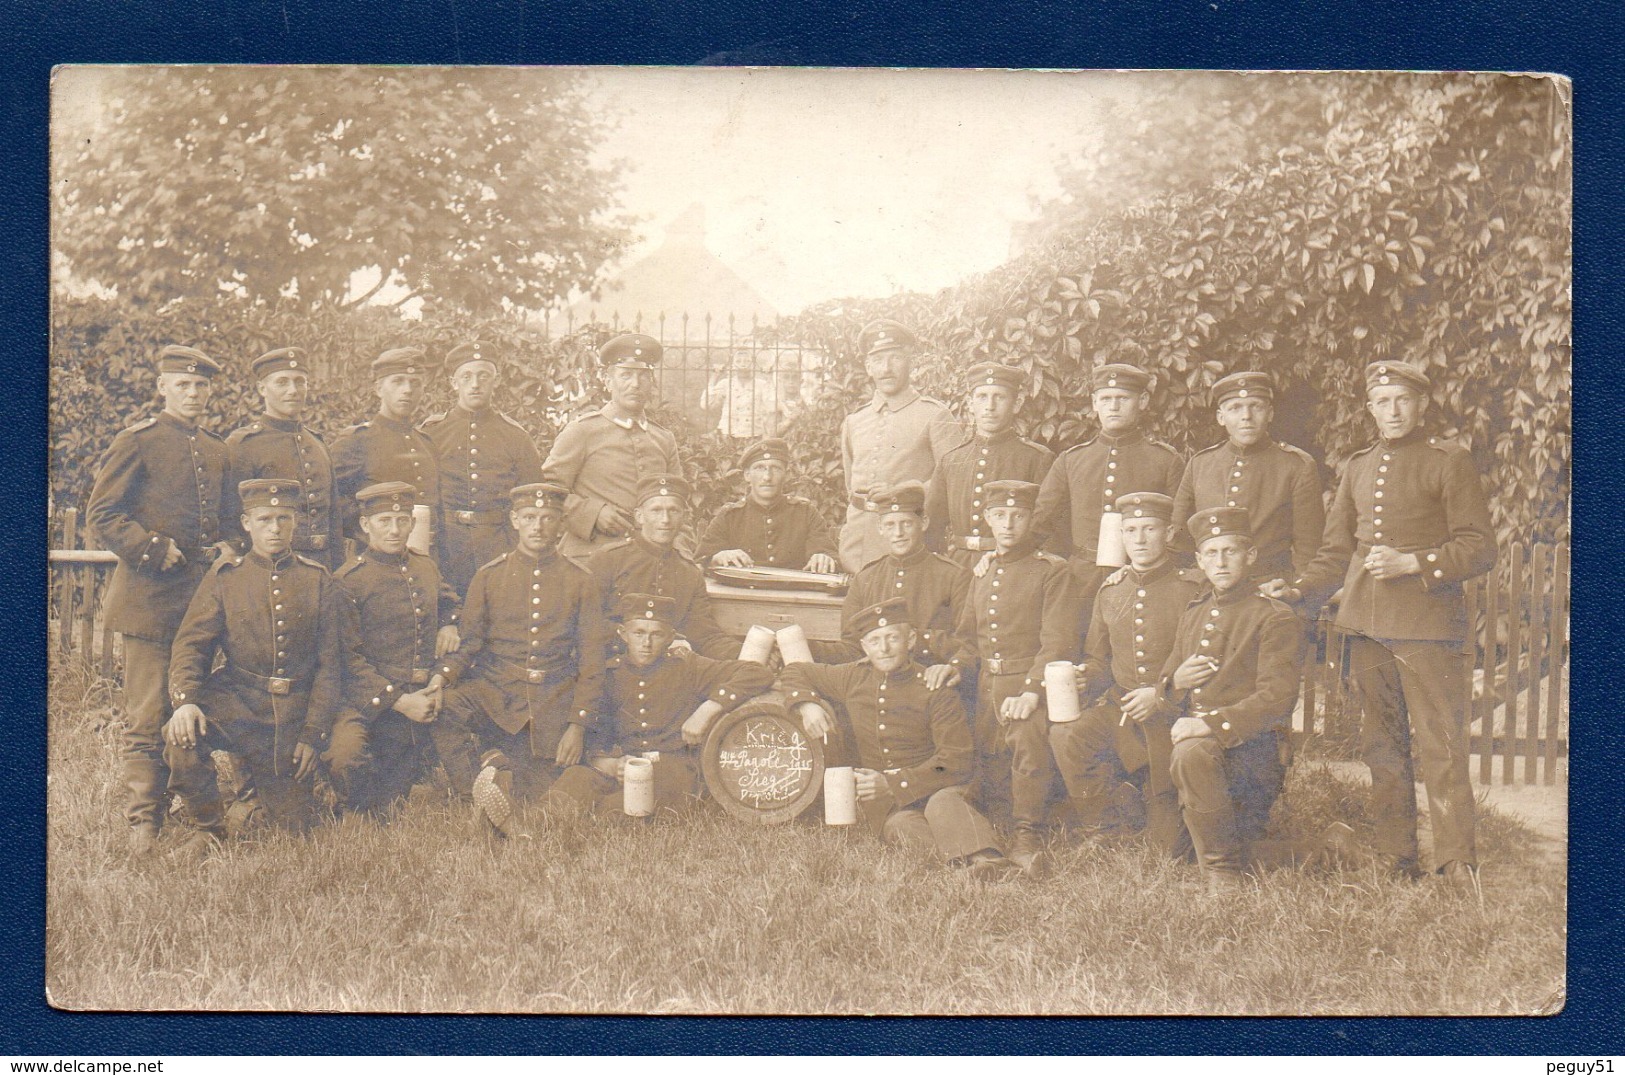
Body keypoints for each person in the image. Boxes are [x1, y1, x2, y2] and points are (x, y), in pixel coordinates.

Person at [1283, 360, 1497, 888]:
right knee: (1382, 746)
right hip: (1365, 625)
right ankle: (1395, 857)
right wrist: (1296, 590)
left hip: (1427, 626)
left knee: (1440, 746)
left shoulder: (1449, 461)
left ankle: (1455, 863)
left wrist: (1416, 563)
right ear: (1370, 407)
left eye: (1403, 399)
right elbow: (1336, 552)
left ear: (1422, 405)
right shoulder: (1357, 466)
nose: (1393, 411)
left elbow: (1479, 546)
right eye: (1382, 401)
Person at [85, 344, 230, 857]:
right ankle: (144, 822)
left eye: (201, 386)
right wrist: (150, 546)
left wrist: (228, 545)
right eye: (183, 385)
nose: (193, 393)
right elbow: (102, 513)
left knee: (188, 706)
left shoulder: (216, 449)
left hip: (201, 606)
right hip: (149, 602)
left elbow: (229, 520)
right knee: (147, 715)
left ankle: (197, 810)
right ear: (162, 387)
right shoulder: (138, 441)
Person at [162, 479, 348, 852]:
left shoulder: (318, 580)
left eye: (283, 518)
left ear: (296, 521)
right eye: (265, 519)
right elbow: (191, 645)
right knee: (180, 737)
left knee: (294, 828)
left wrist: (312, 734)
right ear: (247, 523)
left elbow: (331, 667)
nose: (275, 528)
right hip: (238, 700)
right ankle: (208, 828)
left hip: (293, 714)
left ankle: (252, 801)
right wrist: (185, 700)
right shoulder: (225, 577)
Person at [779, 598, 1018, 881]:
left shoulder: (933, 686)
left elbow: (956, 761)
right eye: (875, 640)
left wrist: (892, 784)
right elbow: (794, 670)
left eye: (893, 637)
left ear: (911, 640)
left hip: (941, 786)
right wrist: (807, 705)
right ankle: (964, 870)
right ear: (864, 647)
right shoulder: (852, 677)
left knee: (942, 804)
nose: (884, 648)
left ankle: (989, 861)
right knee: (901, 825)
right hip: (891, 806)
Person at [437, 482, 609, 835]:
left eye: (548, 518)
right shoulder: (489, 576)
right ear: (514, 520)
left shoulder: (580, 581)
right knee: (446, 707)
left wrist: (577, 725)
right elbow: (469, 645)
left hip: (553, 697)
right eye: (530, 517)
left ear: (561, 523)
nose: (538, 526)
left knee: (540, 789)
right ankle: (474, 793)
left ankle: (499, 777)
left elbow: (593, 662)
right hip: (496, 692)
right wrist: (440, 680)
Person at [1158, 507, 1306, 892]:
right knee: (1176, 851)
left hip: (1250, 756)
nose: (1220, 562)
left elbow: (1277, 698)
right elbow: (1169, 682)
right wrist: (1175, 682)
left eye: (1230, 551)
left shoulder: (1273, 616)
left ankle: (1224, 875)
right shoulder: (1194, 613)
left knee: (1191, 756)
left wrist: (1207, 725)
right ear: (1200, 561)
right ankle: (1322, 851)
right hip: (1198, 754)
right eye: (1211, 553)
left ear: (1251, 556)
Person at [1050, 492, 1202, 851]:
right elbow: (1100, 659)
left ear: (1167, 533)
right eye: (1130, 530)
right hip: (1123, 712)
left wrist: (1162, 695)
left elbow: (1202, 658)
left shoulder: (1192, 587)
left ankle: (1150, 806)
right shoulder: (1111, 589)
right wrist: (1088, 673)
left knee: (1170, 848)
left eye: (1149, 528)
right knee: (1068, 736)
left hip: (1175, 713)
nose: (1140, 539)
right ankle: (1105, 826)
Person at [947, 479, 1084, 877]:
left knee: (1026, 744)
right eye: (1000, 515)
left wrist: (1030, 692)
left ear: (1030, 519)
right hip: (988, 685)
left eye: (1018, 515)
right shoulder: (983, 570)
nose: (1009, 524)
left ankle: (1028, 837)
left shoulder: (1050, 571)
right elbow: (968, 638)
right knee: (984, 761)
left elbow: (1057, 642)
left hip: (1027, 682)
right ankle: (989, 834)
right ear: (988, 518)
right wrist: (956, 666)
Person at [544, 593, 774, 817]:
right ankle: (534, 826)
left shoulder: (688, 667)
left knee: (615, 812)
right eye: (639, 633)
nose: (646, 643)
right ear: (623, 634)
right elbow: (596, 740)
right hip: (625, 764)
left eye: (656, 635)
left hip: (671, 770)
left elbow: (757, 672)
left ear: (670, 637)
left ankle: (602, 816)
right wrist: (612, 766)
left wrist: (709, 708)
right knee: (570, 787)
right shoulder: (610, 674)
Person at [328, 482, 477, 817]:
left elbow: (452, 605)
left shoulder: (425, 566)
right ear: (366, 525)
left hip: (422, 690)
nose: (395, 530)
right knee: (347, 757)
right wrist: (400, 702)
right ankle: (354, 804)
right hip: (370, 697)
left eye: (402, 521)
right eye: (384, 521)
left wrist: (449, 624)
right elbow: (347, 660)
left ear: (412, 523)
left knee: (399, 789)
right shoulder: (348, 581)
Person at [1033, 363, 1183, 626]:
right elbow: (1041, 521)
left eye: (1123, 398)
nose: (1113, 406)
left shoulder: (1165, 460)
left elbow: (1179, 530)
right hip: (1080, 580)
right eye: (1106, 399)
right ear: (1094, 403)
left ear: (1143, 400)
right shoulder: (1071, 460)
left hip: (1144, 578)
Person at [1171, 371, 1323, 586]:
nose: (1246, 416)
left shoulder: (1296, 465)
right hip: (1207, 589)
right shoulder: (1200, 464)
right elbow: (1178, 540)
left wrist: (1297, 593)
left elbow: (1308, 549)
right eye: (1235, 408)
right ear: (1220, 417)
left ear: (1270, 413)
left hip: (1268, 587)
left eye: (1256, 407)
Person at [542, 333, 682, 563]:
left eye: (643, 376)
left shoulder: (663, 438)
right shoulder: (582, 431)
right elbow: (549, 489)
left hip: (648, 563)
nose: (635, 384)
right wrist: (592, 513)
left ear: (652, 383)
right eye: (626, 375)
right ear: (608, 381)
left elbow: (678, 502)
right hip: (589, 557)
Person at [837, 319, 964, 573]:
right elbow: (851, 487)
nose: (886, 368)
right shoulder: (854, 421)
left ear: (910, 362)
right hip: (857, 545)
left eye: (895, 358)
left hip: (913, 544)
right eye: (878, 360)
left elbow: (957, 482)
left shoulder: (934, 415)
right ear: (868, 366)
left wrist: (906, 491)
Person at [420, 341, 546, 595]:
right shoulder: (432, 432)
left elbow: (532, 501)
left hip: (498, 547)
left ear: (496, 381)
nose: (475, 384)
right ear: (454, 383)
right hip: (446, 548)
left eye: (483, 376)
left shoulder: (515, 436)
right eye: (466, 377)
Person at [811, 481, 967, 668]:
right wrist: (809, 647)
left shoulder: (953, 576)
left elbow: (965, 644)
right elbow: (852, 647)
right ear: (880, 528)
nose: (898, 533)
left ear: (923, 522)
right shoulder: (866, 578)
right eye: (890, 525)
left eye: (906, 524)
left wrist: (915, 640)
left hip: (929, 681)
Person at [586, 473, 736, 660]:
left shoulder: (689, 573)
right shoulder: (609, 559)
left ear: (684, 516)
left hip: (668, 674)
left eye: (673, 511)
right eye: (656, 510)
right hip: (612, 666)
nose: (665, 519)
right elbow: (586, 621)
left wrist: (745, 654)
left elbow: (703, 632)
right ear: (639, 516)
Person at [221, 347, 342, 572]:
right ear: (262, 389)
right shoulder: (244, 444)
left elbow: (334, 520)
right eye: (282, 382)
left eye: (300, 382)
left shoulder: (317, 443)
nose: (293, 390)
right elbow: (231, 520)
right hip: (271, 569)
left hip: (322, 567)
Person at [925, 362, 1054, 569]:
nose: (990, 406)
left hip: (1014, 567)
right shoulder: (951, 460)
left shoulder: (1036, 458)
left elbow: (1045, 527)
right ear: (970, 403)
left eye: (999, 397)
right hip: (958, 568)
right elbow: (933, 527)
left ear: (1016, 403)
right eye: (982, 397)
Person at [331, 347, 441, 552]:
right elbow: (332, 499)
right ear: (378, 389)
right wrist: (369, 533)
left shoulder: (426, 443)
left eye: (415, 383)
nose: (407, 389)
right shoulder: (357, 441)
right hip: (375, 559)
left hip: (425, 560)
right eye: (398, 381)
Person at [697, 437, 838, 573]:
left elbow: (827, 553)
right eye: (759, 468)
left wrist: (823, 557)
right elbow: (701, 560)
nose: (767, 477)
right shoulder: (730, 515)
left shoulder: (806, 513)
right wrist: (717, 557)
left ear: (786, 474)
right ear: (747, 475)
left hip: (794, 595)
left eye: (775, 468)